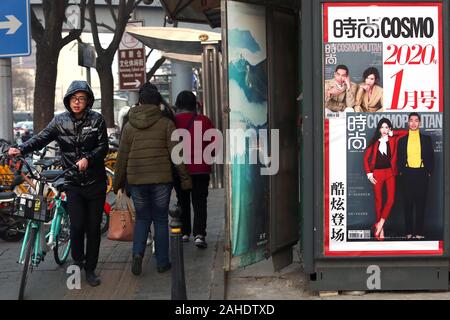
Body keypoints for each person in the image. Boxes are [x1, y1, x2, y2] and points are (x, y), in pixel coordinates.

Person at [8, 80, 108, 286]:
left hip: (95, 182)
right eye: (73, 98)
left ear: (88, 101)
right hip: (72, 181)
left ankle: (90, 269)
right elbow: (40, 138)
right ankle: (78, 261)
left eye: (81, 98)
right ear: (68, 100)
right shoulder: (59, 121)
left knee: (93, 228)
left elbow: (103, 147)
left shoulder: (97, 120)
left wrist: (88, 158)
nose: (77, 102)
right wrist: (21, 149)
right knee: (77, 225)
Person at [113, 86, 192, 276]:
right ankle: (162, 263)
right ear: (158, 103)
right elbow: (177, 155)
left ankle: (138, 254)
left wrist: (118, 183)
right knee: (160, 220)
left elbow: (122, 157)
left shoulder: (129, 127)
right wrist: (185, 179)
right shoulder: (166, 124)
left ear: (139, 102)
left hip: (137, 179)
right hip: (161, 180)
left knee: (142, 219)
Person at [173, 91, 214, 249]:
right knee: (199, 202)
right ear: (194, 104)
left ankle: (184, 232)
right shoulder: (204, 120)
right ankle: (199, 234)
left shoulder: (174, 122)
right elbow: (213, 144)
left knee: (182, 200)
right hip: (200, 170)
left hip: (180, 169)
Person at [363, 118, 407, 240]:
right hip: (377, 173)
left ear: (389, 129)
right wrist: (369, 174)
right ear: (379, 129)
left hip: (390, 173)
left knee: (391, 200)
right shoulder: (374, 142)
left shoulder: (394, 139)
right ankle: (380, 230)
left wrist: (394, 133)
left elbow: (407, 132)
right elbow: (365, 159)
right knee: (379, 201)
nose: (384, 130)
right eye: (382, 127)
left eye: (386, 127)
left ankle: (380, 224)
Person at [397, 113, 434, 240]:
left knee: (421, 204)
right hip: (407, 173)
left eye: (416, 121)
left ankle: (419, 232)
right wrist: (401, 171)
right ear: (408, 123)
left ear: (420, 123)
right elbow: (399, 158)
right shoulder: (402, 140)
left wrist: (429, 171)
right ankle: (408, 232)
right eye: (411, 120)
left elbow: (431, 157)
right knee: (407, 204)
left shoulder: (426, 139)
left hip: (422, 173)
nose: (413, 123)